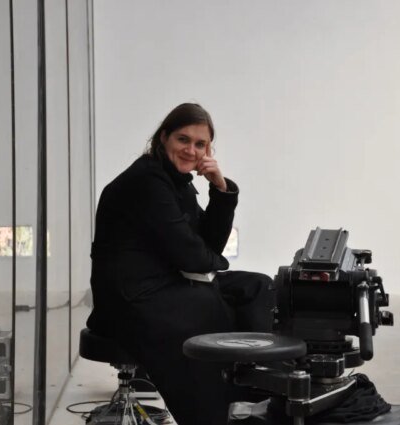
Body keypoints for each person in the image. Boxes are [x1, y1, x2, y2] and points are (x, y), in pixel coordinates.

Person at [87, 103, 274, 425]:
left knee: (257, 286)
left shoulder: (177, 182)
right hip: (130, 298)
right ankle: (215, 413)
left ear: (209, 150)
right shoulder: (147, 181)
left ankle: (254, 386)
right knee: (209, 305)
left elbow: (207, 245)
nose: (191, 150)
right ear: (164, 138)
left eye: (200, 144)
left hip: (166, 283)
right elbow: (191, 256)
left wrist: (221, 189)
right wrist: (214, 264)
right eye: (183, 139)